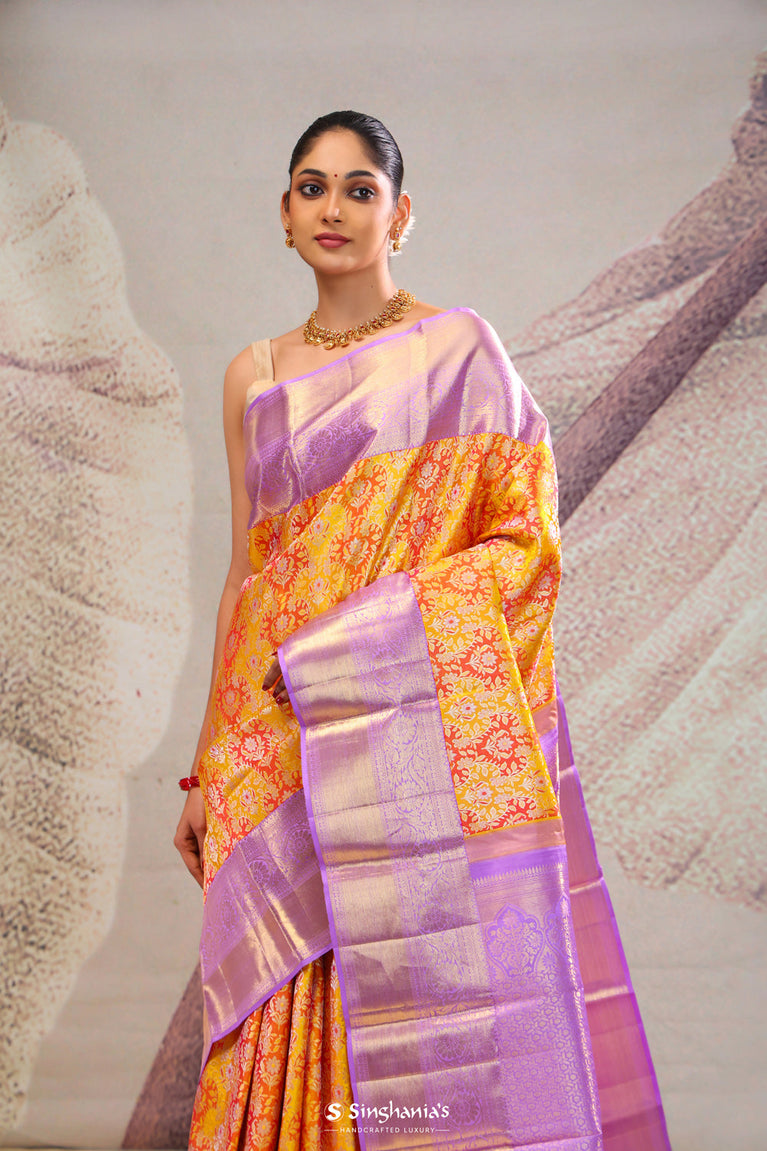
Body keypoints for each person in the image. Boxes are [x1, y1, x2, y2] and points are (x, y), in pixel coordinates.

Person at [174, 111, 670, 1151]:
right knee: (271, 1005)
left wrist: (344, 655)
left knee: (409, 1001)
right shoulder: (251, 374)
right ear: (283, 213)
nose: (333, 208)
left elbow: (524, 545)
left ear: (400, 214)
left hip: (394, 733)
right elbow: (246, 573)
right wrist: (207, 761)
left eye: (360, 189)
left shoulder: (457, 351)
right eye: (312, 187)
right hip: (270, 743)